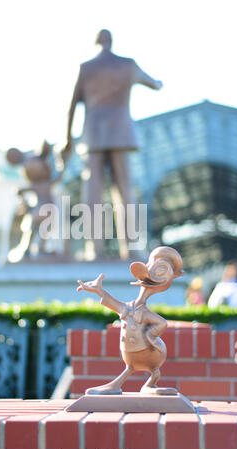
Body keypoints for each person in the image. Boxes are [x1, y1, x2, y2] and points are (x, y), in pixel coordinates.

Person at [62, 29, 163, 259]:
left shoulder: (86, 68)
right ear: (111, 41)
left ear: (96, 42)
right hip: (120, 133)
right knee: (125, 189)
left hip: (94, 134)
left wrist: (68, 139)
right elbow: (154, 84)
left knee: (93, 190)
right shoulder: (127, 65)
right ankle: (131, 247)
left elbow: (70, 107)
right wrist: (160, 82)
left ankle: (93, 248)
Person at [77, 246, 184, 395]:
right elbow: (113, 302)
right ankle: (116, 386)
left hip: (151, 354)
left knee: (144, 369)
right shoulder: (128, 307)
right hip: (129, 353)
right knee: (130, 367)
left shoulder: (144, 313)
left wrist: (150, 335)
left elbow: (162, 323)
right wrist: (98, 290)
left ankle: (152, 381)